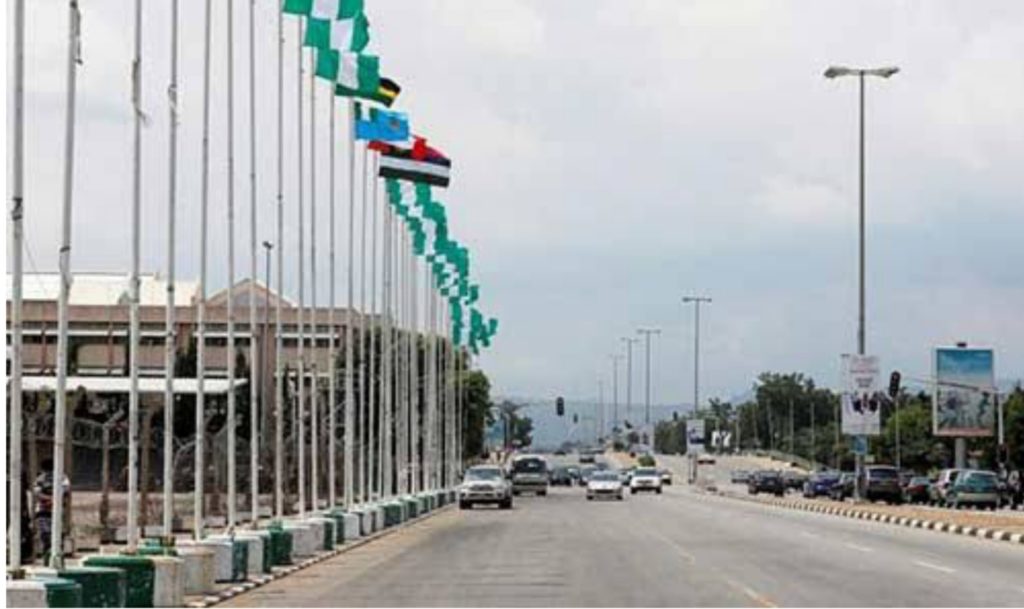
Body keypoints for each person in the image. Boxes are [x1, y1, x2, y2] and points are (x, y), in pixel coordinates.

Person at [33, 458, 71, 561]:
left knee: (46, 535)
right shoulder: (63, 478)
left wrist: (49, 499)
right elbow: (66, 491)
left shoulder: (40, 478)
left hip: (43, 510)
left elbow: (37, 493)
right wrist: (55, 500)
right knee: (57, 534)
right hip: (55, 509)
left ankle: (48, 556)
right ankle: (56, 556)